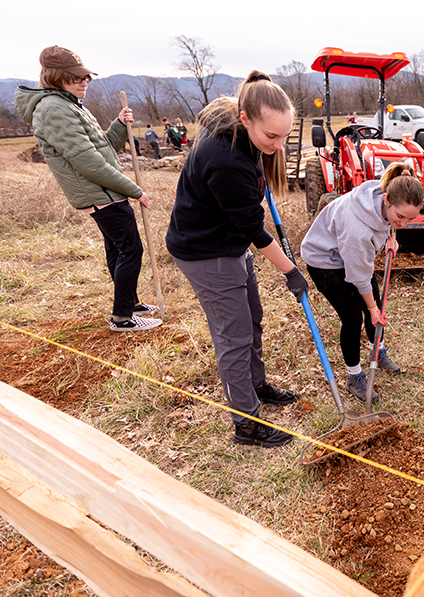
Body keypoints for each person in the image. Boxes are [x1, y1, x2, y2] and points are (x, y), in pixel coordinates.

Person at [166, 70, 307, 448]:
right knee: (234, 337)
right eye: (271, 136)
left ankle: (255, 384)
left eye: (285, 136)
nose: (278, 144)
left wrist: (264, 157)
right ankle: (245, 423)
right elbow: (255, 231)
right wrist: (291, 272)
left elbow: (247, 221)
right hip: (205, 251)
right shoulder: (226, 161)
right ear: (245, 120)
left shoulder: (244, 135)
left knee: (253, 319)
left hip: (227, 242)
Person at [14, 46, 161, 332]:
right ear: (57, 77)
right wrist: (133, 189)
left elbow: (103, 149)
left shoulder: (68, 103)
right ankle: (123, 317)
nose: (84, 83)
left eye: (86, 78)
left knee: (118, 249)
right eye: (77, 78)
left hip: (103, 191)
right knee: (131, 249)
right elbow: (89, 163)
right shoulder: (53, 108)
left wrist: (119, 125)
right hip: (99, 193)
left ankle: (129, 303)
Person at [301, 163, 423, 403]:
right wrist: (371, 308)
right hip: (324, 260)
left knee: (375, 304)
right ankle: (354, 375)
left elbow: (388, 222)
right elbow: (358, 276)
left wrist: (390, 236)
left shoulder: (385, 195)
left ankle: (377, 349)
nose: (403, 223)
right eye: (400, 217)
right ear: (387, 200)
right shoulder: (357, 228)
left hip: (349, 255)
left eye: (410, 219)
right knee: (354, 317)